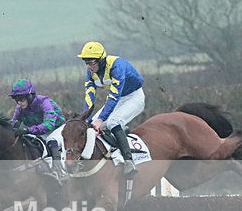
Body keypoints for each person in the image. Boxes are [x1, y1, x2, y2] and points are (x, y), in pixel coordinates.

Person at [78, 41, 145, 174]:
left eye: (91, 62)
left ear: (101, 60)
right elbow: (89, 95)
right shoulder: (90, 72)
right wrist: (87, 117)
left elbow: (114, 96)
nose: (89, 66)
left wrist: (101, 119)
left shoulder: (117, 66)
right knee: (90, 125)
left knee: (113, 122)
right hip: (118, 99)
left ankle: (129, 161)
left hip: (134, 97)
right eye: (86, 62)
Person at [9, 79, 67, 181]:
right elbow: (14, 123)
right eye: (16, 99)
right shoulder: (19, 108)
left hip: (57, 129)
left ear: (30, 96)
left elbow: (49, 125)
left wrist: (27, 130)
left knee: (51, 140)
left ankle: (60, 170)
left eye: (21, 99)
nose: (19, 102)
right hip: (38, 132)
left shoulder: (44, 102)